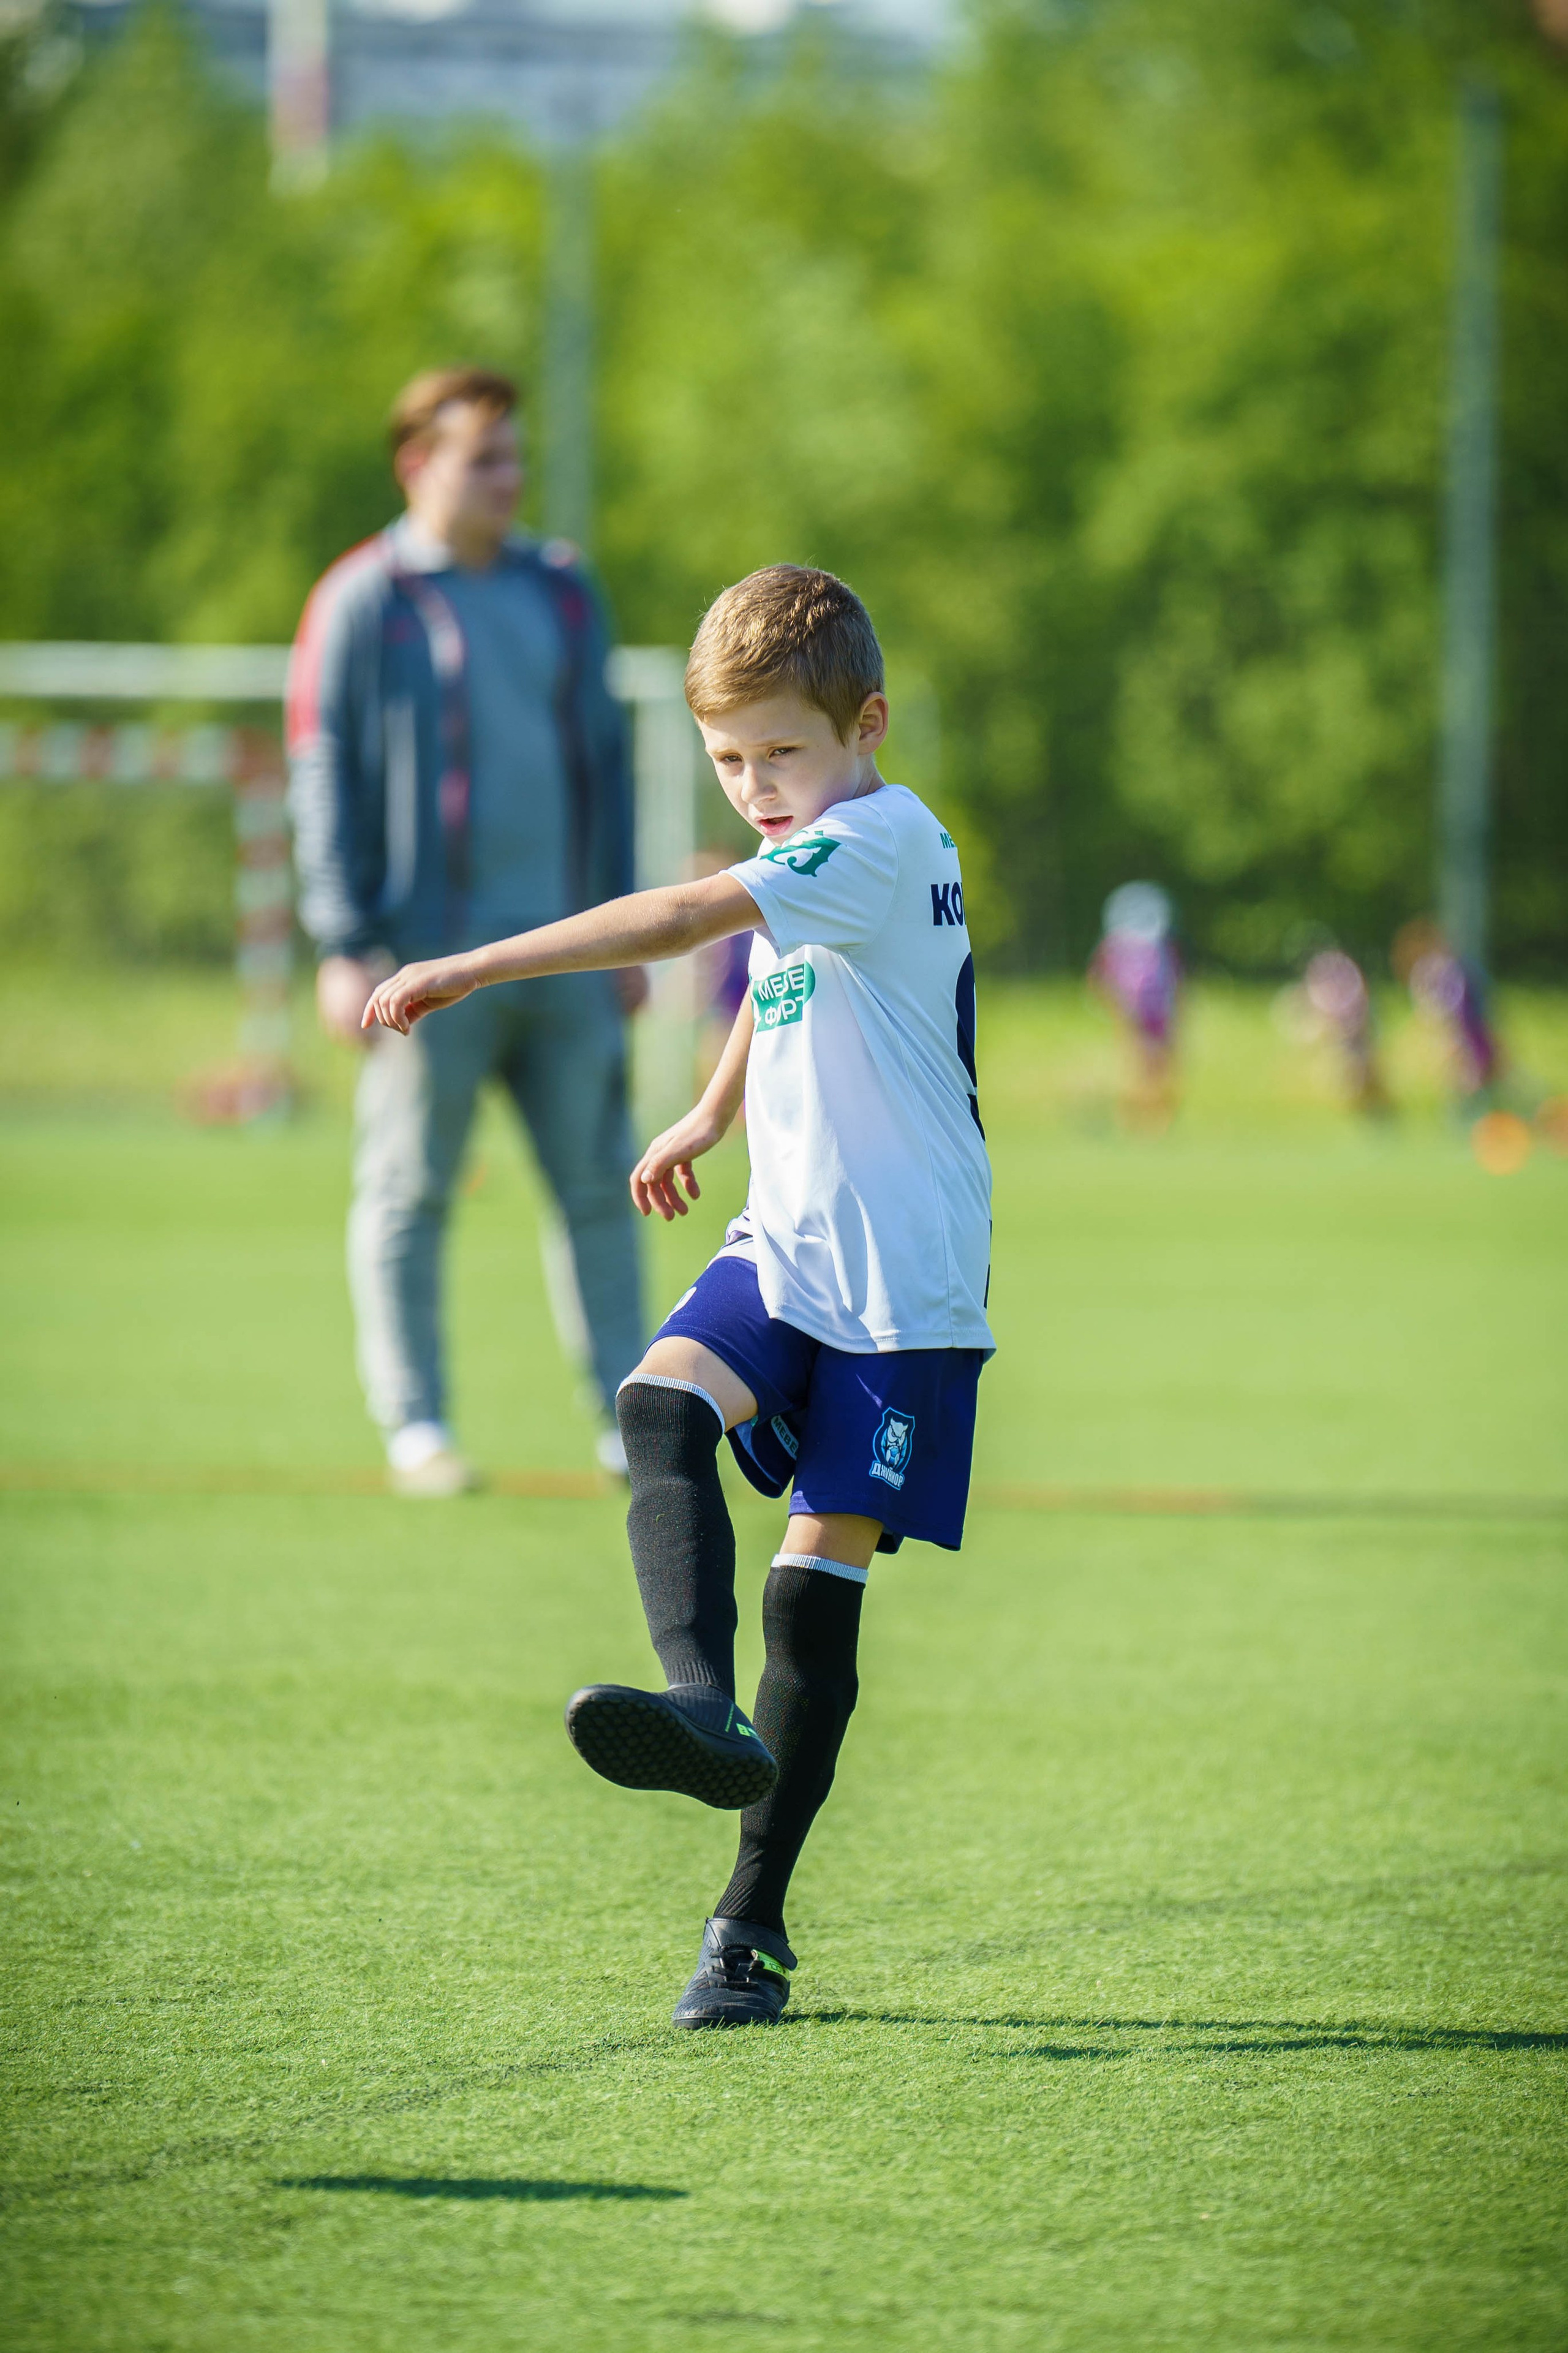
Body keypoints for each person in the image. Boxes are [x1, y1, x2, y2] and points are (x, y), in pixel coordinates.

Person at [363, 565, 993, 2026]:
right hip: (787, 1240)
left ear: (866, 725)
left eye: (780, 752)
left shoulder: (879, 837)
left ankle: (747, 1924)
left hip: (902, 1281)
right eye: (728, 759)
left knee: (812, 1596)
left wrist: (474, 965)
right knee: (657, 1404)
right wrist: (710, 1113)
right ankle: (698, 1702)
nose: (754, 785)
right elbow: (786, 971)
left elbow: (686, 918)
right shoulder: (823, 845)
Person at [288, 367, 647, 1497]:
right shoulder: (364, 598)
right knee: (410, 1191)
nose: (509, 476)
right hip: (422, 964)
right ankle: (418, 1426)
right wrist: (343, 939)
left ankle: (630, 1425)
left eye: (515, 455)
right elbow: (321, 771)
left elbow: (608, 765)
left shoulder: (564, 590)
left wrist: (628, 930)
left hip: (570, 954)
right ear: (417, 464)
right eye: (483, 457)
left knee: (605, 1188)